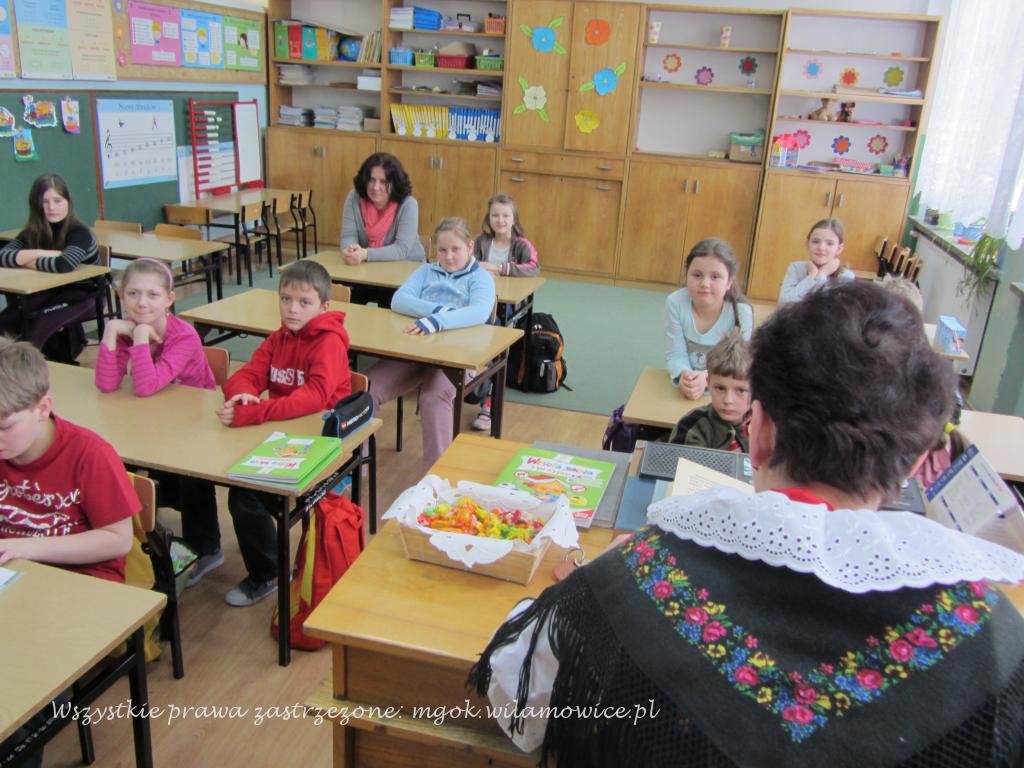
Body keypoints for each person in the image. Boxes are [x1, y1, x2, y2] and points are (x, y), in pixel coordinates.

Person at [470, 281, 1024, 768]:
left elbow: (517, 697)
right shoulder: (998, 641)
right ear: (912, 463)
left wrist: (593, 582)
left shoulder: (633, 577)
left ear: (760, 433)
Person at [217, 261, 352, 606]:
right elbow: (246, 375)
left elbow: (316, 397)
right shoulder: (279, 338)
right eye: (286, 299)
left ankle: (270, 573)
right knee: (232, 478)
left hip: (323, 441)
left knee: (244, 493)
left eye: (304, 302)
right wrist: (242, 396)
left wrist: (256, 411)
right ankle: (241, 558)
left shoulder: (328, 343)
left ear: (324, 307)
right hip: (281, 434)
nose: (292, 309)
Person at [93, 259, 223, 585]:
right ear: (121, 296)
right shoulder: (124, 328)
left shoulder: (184, 336)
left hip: (195, 422)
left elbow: (146, 385)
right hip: (150, 419)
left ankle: (206, 549)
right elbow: (107, 384)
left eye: (152, 294)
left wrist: (139, 337)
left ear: (169, 299)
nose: (142, 303)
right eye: (133, 294)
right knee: (116, 461)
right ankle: (138, 532)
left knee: (192, 477)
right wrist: (111, 332)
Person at [367, 217, 495, 471]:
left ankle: (437, 476)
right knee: (366, 388)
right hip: (416, 353)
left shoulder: (480, 278)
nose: (449, 256)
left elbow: (479, 313)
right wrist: (438, 311)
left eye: (456, 249)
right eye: (442, 250)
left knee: (433, 397)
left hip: (458, 357)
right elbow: (399, 300)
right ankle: (355, 467)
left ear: (470, 246)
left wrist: (437, 322)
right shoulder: (426, 271)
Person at [0, 174, 100, 360]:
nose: (51, 207)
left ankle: (27, 370)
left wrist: (23, 259)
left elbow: (63, 264)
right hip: (48, 293)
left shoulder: (79, 232)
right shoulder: (32, 232)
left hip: (84, 296)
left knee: (36, 326)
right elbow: (2, 256)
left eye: (57, 200)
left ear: (68, 202)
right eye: (45, 202)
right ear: (36, 204)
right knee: (8, 319)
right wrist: (39, 253)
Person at [471, 193, 539, 432]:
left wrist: (499, 268)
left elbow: (533, 268)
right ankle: (467, 376)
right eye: (495, 215)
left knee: (493, 336)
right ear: (488, 218)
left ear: (514, 219)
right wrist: (477, 266)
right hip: (480, 298)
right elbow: (465, 261)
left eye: (505, 216)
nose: (500, 220)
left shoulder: (522, 245)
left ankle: (488, 400)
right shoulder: (480, 241)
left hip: (507, 304)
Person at [665, 238, 753, 400]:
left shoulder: (741, 312)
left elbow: (741, 365)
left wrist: (707, 378)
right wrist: (685, 376)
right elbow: (675, 353)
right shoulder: (675, 302)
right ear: (687, 275)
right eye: (697, 275)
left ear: (729, 281)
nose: (704, 283)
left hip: (725, 392)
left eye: (715, 277)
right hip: (687, 387)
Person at [340, 152, 425, 306]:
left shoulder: (408, 204)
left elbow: (401, 249)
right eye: (371, 180)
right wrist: (350, 250)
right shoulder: (353, 198)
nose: (376, 187)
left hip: (404, 270)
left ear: (395, 183)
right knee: (344, 294)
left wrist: (365, 254)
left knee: (389, 300)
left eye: (383, 181)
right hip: (366, 268)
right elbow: (348, 236)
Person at [668, 329, 750, 452]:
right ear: (708, 383)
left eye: (740, 390)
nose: (728, 400)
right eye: (720, 388)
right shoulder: (690, 426)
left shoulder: (768, 426)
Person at [778, 218, 854, 304]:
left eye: (829, 243)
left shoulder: (845, 275)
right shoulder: (796, 267)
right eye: (815, 242)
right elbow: (784, 302)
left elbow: (826, 306)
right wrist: (811, 276)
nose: (821, 247)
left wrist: (822, 275)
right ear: (807, 244)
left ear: (839, 248)